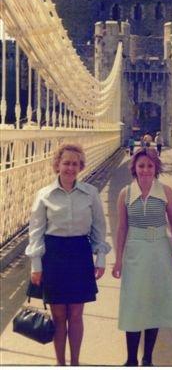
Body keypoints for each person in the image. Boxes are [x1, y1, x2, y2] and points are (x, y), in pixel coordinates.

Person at [25, 143, 111, 366]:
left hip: (79, 254)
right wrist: (36, 265)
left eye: (75, 163)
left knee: (75, 315)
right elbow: (36, 232)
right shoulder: (44, 195)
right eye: (66, 163)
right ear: (57, 165)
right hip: (53, 256)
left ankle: (75, 363)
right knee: (59, 315)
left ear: (80, 166)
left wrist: (100, 258)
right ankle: (60, 363)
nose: (70, 168)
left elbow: (99, 229)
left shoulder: (90, 194)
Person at [113, 147, 172, 366]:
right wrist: (118, 260)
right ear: (134, 168)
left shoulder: (166, 192)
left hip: (159, 252)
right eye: (141, 166)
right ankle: (130, 360)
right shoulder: (125, 194)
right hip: (135, 253)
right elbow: (121, 229)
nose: (145, 170)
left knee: (153, 304)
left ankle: (148, 358)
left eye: (149, 166)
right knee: (133, 303)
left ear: (155, 168)